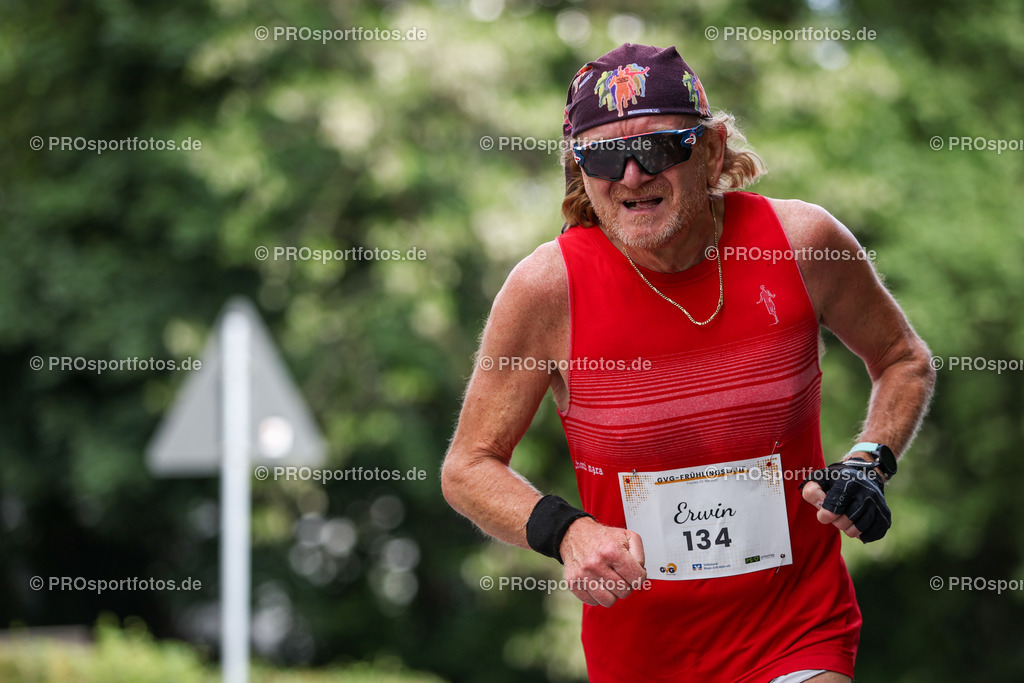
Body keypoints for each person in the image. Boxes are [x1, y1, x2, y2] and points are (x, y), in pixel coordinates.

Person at [441, 43, 935, 683]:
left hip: (795, 631)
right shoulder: (548, 289)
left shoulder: (802, 243)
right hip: (642, 653)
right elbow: (468, 467)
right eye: (599, 156)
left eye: (656, 148)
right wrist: (567, 532)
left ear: (713, 149)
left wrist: (870, 460)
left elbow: (903, 359)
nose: (629, 175)